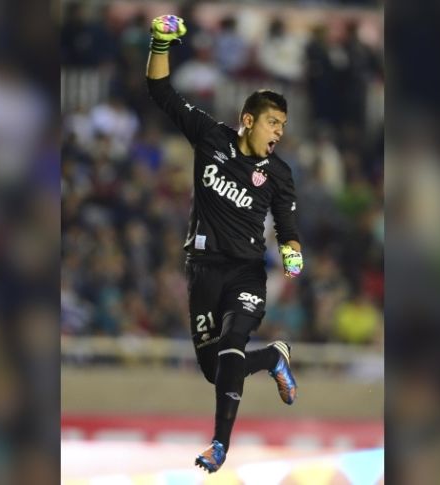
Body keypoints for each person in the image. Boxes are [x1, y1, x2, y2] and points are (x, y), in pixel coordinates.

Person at [146, 15, 304, 473]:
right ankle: (275, 356)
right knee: (216, 369)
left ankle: (219, 446)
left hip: (246, 271)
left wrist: (292, 250)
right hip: (202, 270)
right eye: (272, 122)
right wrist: (159, 43)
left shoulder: (280, 175)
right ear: (247, 119)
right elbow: (161, 94)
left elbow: (287, 225)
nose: (278, 132)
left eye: (283, 125)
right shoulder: (210, 136)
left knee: (233, 343)